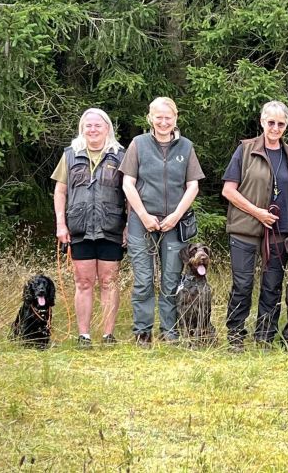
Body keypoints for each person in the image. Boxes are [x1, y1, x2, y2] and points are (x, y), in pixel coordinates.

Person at [222, 100, 288, 352]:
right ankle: (236, 335)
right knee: (243, 284)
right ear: (262, 122)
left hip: (281, 233)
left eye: (281, 123)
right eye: (271, 122)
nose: (275, 127)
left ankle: (265, 337)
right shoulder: (245, 150)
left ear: (286, 126)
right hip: (245, 229)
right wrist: (257, 212)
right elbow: (229, 190)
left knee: (272, 286)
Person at [120, 97, 205, 346]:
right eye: (159, 117)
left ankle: (169, 331)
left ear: (175, 119)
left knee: (171, 279)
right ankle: (142, 332)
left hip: (175, 223)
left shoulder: (186, 147)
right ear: (151, 118)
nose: (163, 122)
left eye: (168, 117)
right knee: (144, 280)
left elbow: (193, 186)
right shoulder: (138, 144)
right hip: (141, 221)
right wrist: (144, 216)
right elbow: (127, 183)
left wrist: (176, 215)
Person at [52, 108, 126, 348]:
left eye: (98, 126)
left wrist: (127, 227)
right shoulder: (70, 154)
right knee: (83, 282)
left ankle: (107, 335)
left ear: (107, 128)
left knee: (108, 281)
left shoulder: (120, 155)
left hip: (111, 227)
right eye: (88, 126)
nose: (93, 130)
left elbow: (130, 193)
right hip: (79, 227)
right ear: (82, 128)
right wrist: (61, 224)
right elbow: (60, 191)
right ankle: (84, 336)